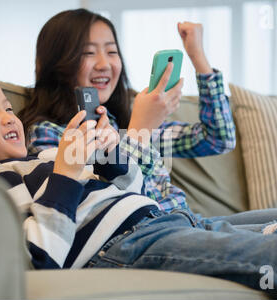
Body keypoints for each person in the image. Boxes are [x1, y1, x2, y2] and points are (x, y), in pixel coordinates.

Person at [0, 68, 277, 299]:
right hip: (126, 244)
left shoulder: (42, 156)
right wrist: (66, 174)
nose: (9, 116)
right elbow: (41, 257)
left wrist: (113, 160)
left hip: (169, 220)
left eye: (8, 107)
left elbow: (135, 191)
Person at [18, 8, 235, 217]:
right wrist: (140, 130)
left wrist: (198, 58)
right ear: (57, 65)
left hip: (191, 222)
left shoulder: (125, 122)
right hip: (158, 235)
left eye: (112, 51)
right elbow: (106, 211)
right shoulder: (48, 134)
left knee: (270, 225)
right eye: (88, 53)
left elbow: (217, 139)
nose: (104, 64)